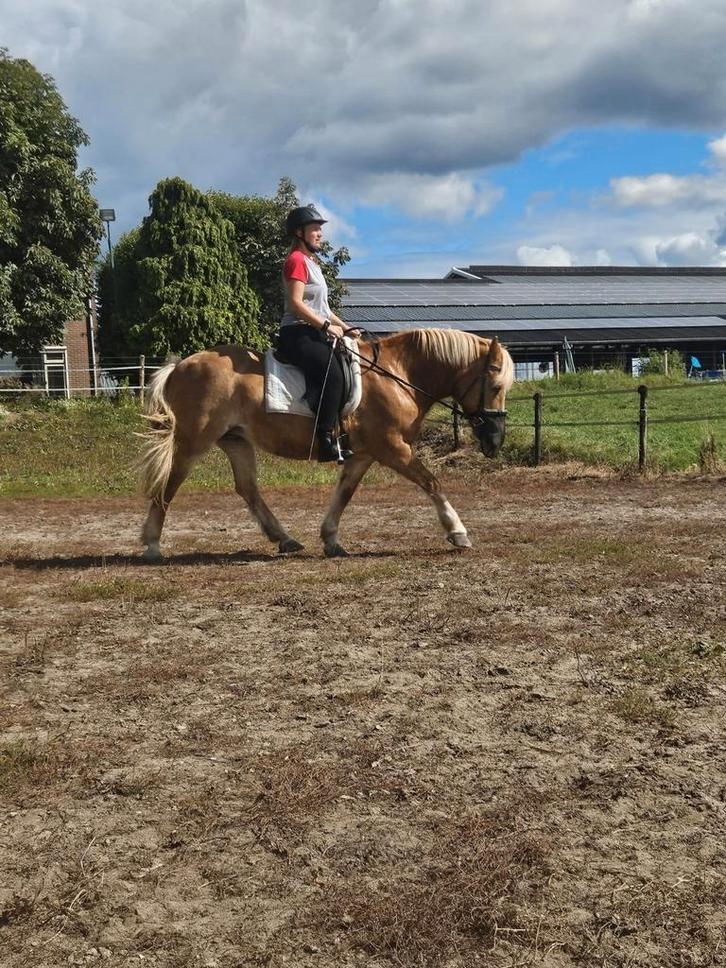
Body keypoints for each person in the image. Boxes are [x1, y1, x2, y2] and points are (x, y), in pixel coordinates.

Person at [277, 205, 358, 462]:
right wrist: (325, 326)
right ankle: (324, 438)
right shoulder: (296, 261)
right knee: (333, 375)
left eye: (320, 229)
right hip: (297, 333)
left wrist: (345, 327)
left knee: (347, 364)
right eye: (315, 229)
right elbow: (296, 305)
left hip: (313, 331)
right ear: (300, 232)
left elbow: (323, 308)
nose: (320, 234)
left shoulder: (313, 263)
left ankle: (343, 429)